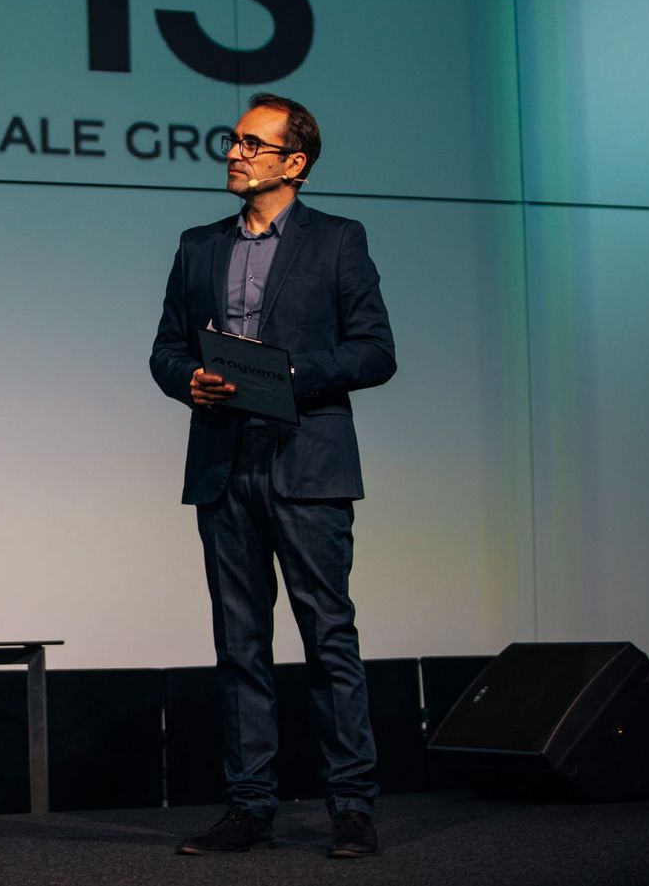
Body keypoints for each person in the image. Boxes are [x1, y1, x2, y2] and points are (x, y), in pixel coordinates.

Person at [150, 93, 395, 859]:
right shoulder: (198, 245)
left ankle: (351, 805)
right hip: (224, 465)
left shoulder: (338, 240)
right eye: (234, 140)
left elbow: (375, 351)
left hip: (307, 463)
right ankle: (250, 805)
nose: (235, 153)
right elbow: (164, 349)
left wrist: (289, 375)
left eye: (253, 144)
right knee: (240, 645)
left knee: (328, 638)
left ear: (295, 163)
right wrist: (189, 379)